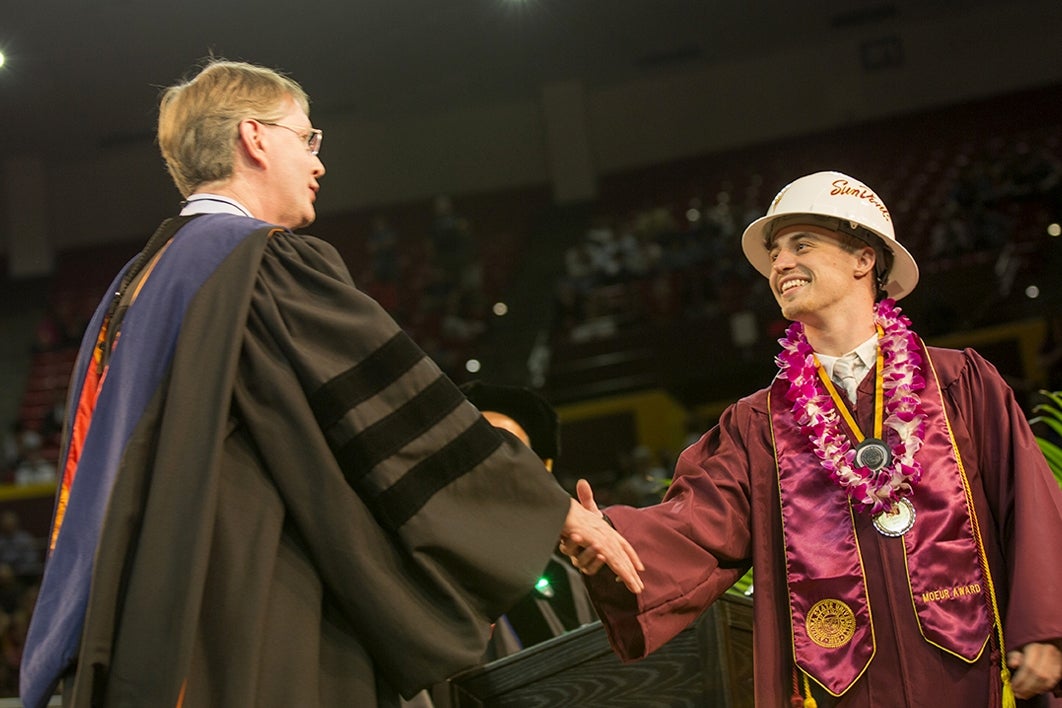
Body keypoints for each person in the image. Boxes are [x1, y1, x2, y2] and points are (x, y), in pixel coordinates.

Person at [19, 59, 643, 708]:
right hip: (257, 616)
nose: (318, 163)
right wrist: (551, 512)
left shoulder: (128, 293)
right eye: (307, 138)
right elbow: (396, 415)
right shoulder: (259, 261)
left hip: (150, 636)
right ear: (254, 139)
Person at [564, 171, 1062, 706]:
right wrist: (610, 537)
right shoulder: (759, 426)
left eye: (800, 245)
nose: (777, 264)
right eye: (775, 252)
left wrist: (1048, 628)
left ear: (863, 259)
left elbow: (1029, 506)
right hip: (838, 687)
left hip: (975, 672)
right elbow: (697, 524)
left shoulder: (959, 383)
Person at [459, 381, 597, 659]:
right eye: (476, 449)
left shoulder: (573, 565)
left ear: (541, 468)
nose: (490, 465)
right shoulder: (437, 564)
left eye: (507, 451)